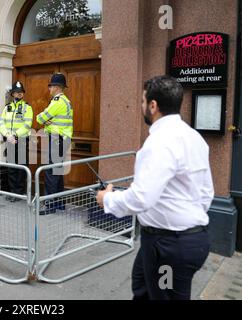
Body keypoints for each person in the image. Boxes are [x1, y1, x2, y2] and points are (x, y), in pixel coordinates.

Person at [96, 75, 213, 300]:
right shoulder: (193, 137)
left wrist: (106, 199)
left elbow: (141, 198)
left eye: (142, 101)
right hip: (178, 239)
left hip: (169, 245)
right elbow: (206, 192)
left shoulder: (160, 142)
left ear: (153, 105)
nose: (141, 107)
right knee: (142, 285)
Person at [36, 73, 73, 215]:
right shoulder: (66, 101)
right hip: (63, 139)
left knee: (51, 171)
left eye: (50, 86)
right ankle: (59, 203)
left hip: (57, 140)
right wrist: (48, 122)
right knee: (57, 171)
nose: (49, 89)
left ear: (57, 87)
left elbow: (40, 118)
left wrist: (45, 120)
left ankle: (50, 205)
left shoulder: (57, 102)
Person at [0, 81, 33, 202]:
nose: (19, 94)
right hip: (10, 140)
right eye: (16, 92)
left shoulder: (27, 108)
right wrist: (8, 135)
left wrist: (14, 135)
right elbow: (1, 123)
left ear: (23, 94)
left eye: (21, 92)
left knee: (21, 168)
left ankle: (20, 192)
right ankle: (13, 192)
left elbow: (27, 125)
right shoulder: (7, 108)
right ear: (12, 94)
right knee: (12, 168)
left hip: (22, 140)